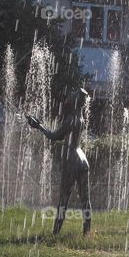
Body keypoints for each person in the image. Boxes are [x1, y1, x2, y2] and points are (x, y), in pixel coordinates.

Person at [26, 87, 92, 235]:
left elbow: (54, 136)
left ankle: (55, 233)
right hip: (82, 158)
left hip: (72, 160)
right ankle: (87, 232)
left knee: (64, 198)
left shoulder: (70, 120)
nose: (70, 94)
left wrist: (38, 126)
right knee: (85, 199)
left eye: (73, 94)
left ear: (76, 100)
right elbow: (62, 136)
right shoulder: (80, 119)